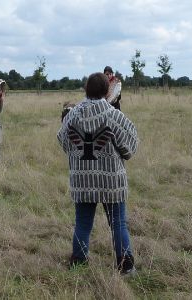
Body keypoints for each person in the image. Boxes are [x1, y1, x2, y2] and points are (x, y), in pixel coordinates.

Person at [58, 72, 139, 275]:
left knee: (83, 223)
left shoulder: (73, 114)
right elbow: (130, 146)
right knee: (118, 223)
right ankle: (126, 266)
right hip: (112, 180)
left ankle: (79, 263)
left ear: (86, 89)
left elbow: (62, 139)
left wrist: (77, 153)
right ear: (106, 90)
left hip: (82, 180)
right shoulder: (113, 115)